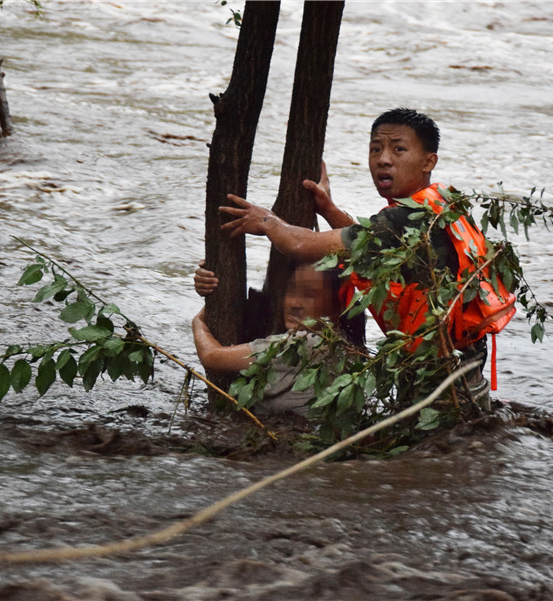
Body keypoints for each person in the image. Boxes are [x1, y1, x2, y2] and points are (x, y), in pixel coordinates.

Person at [218, 108, 500, 409]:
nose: (383, 159)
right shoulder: (441, 201)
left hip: (439, 382)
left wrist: (266, 221)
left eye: (399, 149)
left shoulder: (405, 218)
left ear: (428, 161)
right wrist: (328, 209)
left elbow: (301, 245)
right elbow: (370, 244)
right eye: (375, 149)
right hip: (465, 365)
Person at [192, 263, 364, 417]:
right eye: (292, 290)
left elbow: (211, 356)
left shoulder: (307, 345)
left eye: (309, 294)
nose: (294, 303)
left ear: (336, 307)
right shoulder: (348, 344)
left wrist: (199, 320)